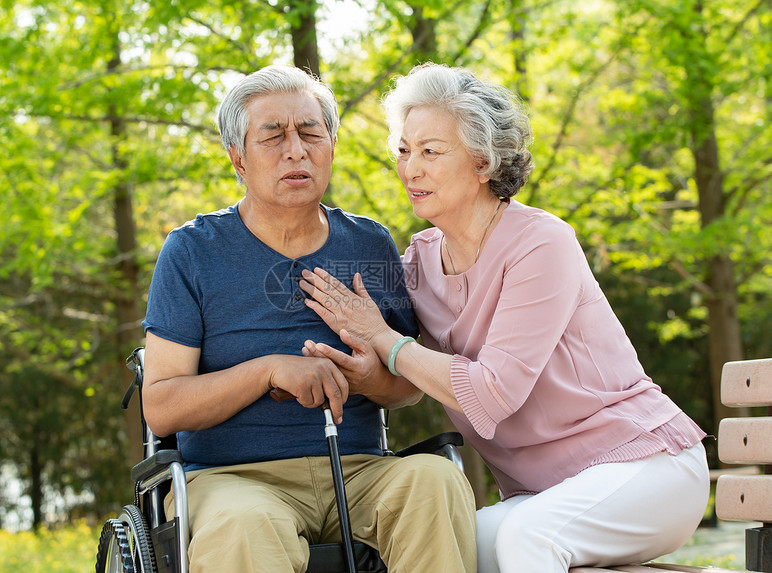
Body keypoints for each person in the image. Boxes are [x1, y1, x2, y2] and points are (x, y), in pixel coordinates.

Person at [299, 63, 710, 573]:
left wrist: (386, 342)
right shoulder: (419, 264)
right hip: (543, 493)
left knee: (524, 539)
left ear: (483, 162)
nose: (411, 169)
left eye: (431, 151)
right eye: (404, 151)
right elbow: (371, 343)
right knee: (447, 546)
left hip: (645, 468)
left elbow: (492, 392)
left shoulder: (542, 243)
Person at [140, 64, 477, 572]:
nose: (295, 150)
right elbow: (162, 407)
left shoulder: (369, 244)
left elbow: (408, 386)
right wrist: (268, 371)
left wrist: (370, 379)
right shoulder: (192, 252)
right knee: (244, 523)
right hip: (235, 479)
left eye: (310, 132)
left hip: (359, 470)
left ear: (332, 146)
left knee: (435, 480)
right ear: (238, 158)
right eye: (272, 136)